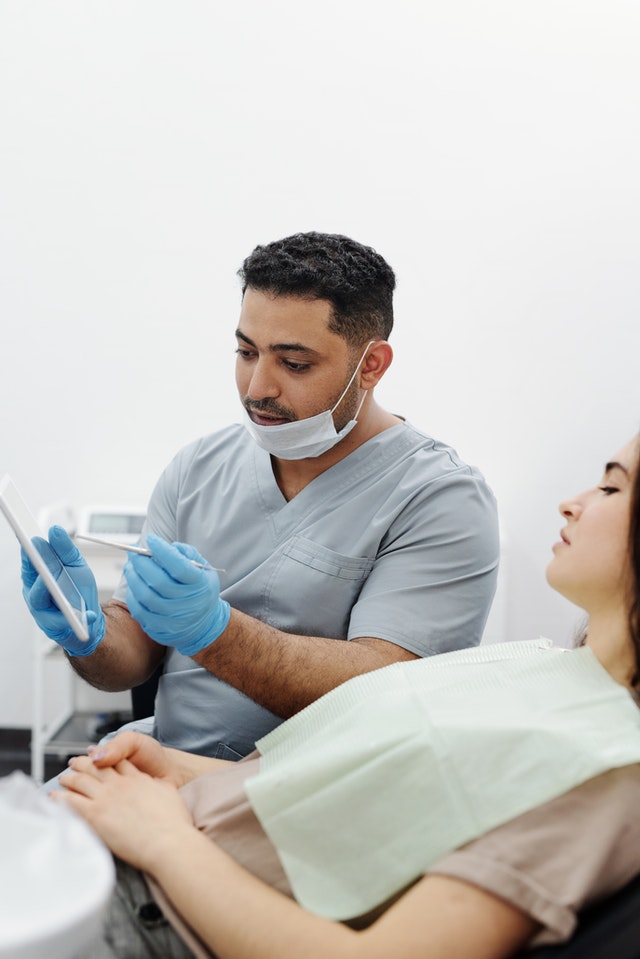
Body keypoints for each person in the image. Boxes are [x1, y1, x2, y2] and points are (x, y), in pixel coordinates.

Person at [54, 433, 640, 958]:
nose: (574, 501)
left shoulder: (608, 764)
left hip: (158, 906)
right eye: (245, 350)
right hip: (158, 802)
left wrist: (162, 838)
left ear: (370, 362)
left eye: (612, 486)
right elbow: (369, 788)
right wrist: (181, 771)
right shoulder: (533, 663)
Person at [21, 232, 499, 759]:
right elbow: (132, 656)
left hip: (313, 799)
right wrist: (86, 634)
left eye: (293, 364)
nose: (256, 388)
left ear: (371, 365)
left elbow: (387, 689)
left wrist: (212, 632)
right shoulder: (199, 466)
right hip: (164, 763)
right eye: (246, 352)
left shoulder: (439, 497)